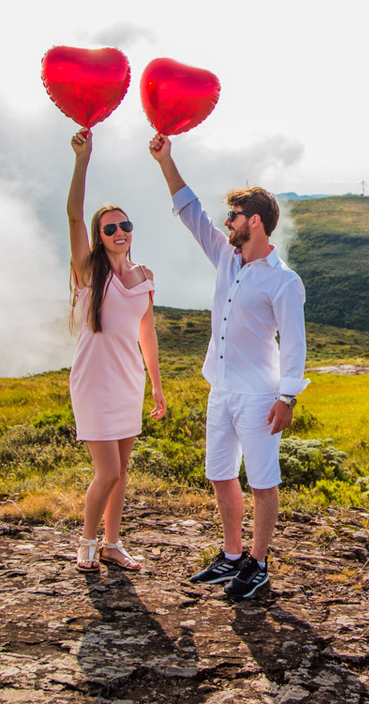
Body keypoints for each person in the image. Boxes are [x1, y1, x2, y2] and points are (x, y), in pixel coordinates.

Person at [149, 132, 308, 599]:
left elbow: (295, 343)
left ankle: (257, 564)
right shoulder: (225, 255)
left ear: (253, 222)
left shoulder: (283, 282)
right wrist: (166, 161)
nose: (226, 223)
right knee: (220, 473)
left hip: (260, 395)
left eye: (234, 216)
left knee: (262, 481)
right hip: (220, 389)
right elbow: (190, 212)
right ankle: (232, 555)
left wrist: (288, 397)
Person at [67, 129, 167, 573]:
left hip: (130, 382)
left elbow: (147, 335)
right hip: (94, 382)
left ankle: (112, 544)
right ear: (99, 236)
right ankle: (87, 541)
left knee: (122, 473)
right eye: (111, 228)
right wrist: (82, 159)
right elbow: (72, 216)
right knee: (106, 472)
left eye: (125, 225)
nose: (120, 232)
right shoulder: (90, 272)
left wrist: (158, 389)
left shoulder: (144, 273)